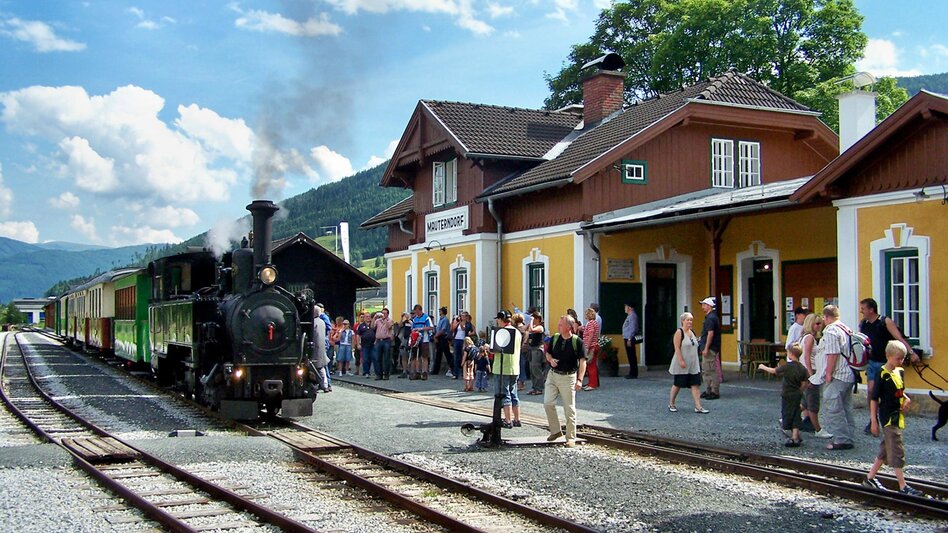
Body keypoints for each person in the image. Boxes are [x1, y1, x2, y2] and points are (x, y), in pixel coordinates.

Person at [863, 341, 925, 496]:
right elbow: (874, 398)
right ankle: (903, 486)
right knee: (896, 449)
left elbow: (899, 389)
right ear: (888, 356)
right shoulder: (882, 374)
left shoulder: (900, 372)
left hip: (898, 415)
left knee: (885, 448)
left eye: (902, 358)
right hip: (888, 417)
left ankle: (869, 478)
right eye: (898, 358)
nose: (900, 361)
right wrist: (874, 421)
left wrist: (906, 398)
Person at [859, 298, 917, 434]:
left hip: (886, 362)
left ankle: (891, 418)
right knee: (871, 392)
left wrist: (911, 352)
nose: (861, 311)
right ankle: (873, 419)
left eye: (863, 309)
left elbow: (899, 338)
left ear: (871, 309)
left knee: (887, 393)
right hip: (872, 362)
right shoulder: (864, 324)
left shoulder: (885, 322)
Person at [544, 315, 588, 447]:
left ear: (569, 327)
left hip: (568, 377)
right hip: (552, 375)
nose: (558, 326)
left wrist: (580, 379)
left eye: (561, 324)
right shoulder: (555, 338)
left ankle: (571, 437)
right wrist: (550, 360)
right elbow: (548, 353)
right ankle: (556, 431)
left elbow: (582, 361)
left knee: (569, 408)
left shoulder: (577, 341)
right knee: (548, 403)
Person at [821, 304, 857, 450]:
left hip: (838, 374)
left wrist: (828, 373)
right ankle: (849, 436)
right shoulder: (845, 328)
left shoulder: (831, 330)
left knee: (833, 406)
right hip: (850, 373)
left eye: (823, 318)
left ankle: (842, 439)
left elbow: (832, 353)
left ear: (826, 317)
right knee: (846, 407)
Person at [758, 344, 809, 447]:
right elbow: (805, 383)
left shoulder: (787, 366)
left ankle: (793, 435)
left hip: (787, 394)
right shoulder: (802, 368)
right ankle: (796, 436)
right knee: (796, 414)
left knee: (788, 413)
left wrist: (763, 366)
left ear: (790, 354)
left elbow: (774, 371)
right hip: (797, 394)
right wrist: (799, 391)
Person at [668, 312, 709, 414]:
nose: (690, 322)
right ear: (683, 321)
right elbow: (676, 347)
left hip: (693, 364)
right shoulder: (679, 332)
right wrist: (681, 360)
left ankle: (698, 406)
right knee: (678, 384)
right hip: (682, 364)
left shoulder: (692, 333)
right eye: (688, 320)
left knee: (696, 384)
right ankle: (671, 403)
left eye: (691, 320)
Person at [800, 313, 832, 439]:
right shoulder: (809, 338)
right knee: (813, 402)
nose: (819, 326)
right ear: (810, 324)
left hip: (810, 370)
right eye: (817, 323)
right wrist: (811, 374)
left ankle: (787, 418)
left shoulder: (807, 337)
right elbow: (806, 356)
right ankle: (818, 429)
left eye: (820, 323)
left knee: (805, 402)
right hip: (811, 370)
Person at [492, 311, 522, 428]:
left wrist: (487, 348)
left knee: (505, 394)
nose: (497, 322)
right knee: (513, 393)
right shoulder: (517, 332)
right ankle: (517, 419)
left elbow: (496, 349)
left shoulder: (503, 332)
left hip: (502, 367)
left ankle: (508, 420)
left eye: (498, 319)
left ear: (501, 319)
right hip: (514, 367)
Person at [698, 297, 721, 400]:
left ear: (709, 306)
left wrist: (706, 347)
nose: (702, 306)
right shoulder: (711, 317)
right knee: (706, 370)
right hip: (710, 347)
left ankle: (714, 391)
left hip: (710, 348)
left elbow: (710, 334)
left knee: (710, 370)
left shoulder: (710, 318)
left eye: (704, 304)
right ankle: (708, 389)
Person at [411, 304, 434, 380]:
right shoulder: (415, 319)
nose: (416, 313)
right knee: (417, 356)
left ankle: (424, 372)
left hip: (424, 339)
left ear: (420, 310)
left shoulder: (426, 317)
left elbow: (431, 327)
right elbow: (412, 328)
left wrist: (421, 329)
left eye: (417, 312)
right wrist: (414, 331)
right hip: (416, 340)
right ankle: (417, 372)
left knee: (424, 356)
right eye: (415, 312)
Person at [526, 311, 547, 396]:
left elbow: (531, 330)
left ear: (538, 319)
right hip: (532, 349)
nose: (532, 320)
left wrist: (530, 321)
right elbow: (527, 330)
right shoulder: (534, 326)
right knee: (532, 370)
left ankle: (539, 388)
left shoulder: (540, 327)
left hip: (537, 350)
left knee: (536, 369)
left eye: (534, 318)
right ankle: (534, 387)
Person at [451, 312, 474, 381]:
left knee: (463, 357)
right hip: (456, 340)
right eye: (461, 316)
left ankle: (463, 373)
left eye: (464, 316)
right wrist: (455, 322)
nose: (462, 317)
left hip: (464, 341)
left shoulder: (468, 324)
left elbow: (464, 329)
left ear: (466, 317)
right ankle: (455, 374)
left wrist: (461, 323)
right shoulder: (458, 323)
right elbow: (452, 329)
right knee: (456, 357)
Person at [582, 307, 600, 391]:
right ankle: (593, 383)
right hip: (595, 345)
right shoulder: (595, 323)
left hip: (591, 347)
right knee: (593, 365)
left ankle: (592, 384)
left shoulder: (590, 323)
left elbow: (591, 334)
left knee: (590, 366)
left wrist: (587, 347)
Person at [373, 308, 394, 380]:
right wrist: (374, 318)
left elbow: (389, 327)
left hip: (386, 340)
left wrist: (385, 320)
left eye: (385, 313)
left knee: (386, 358)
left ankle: (386, 374)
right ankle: (379, 374)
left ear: (387, 314)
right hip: (378, 340)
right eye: (382, 313)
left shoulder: (390, 320)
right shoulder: (378, 321)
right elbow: (373, 327)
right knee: (377, 358)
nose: (383, 314)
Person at [432, 306, 452, 377]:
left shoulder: (445, 320)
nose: (439, 312)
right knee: (438, 354)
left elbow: (443, 330)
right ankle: (435, 370)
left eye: (440, 311)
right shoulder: (440, 319)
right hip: (439, 337)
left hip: (443, 337)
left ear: (443, 312)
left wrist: (436, 335)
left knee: (447, 353)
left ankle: (452, 367)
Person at [622, 303, 640, 379]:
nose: (625, 309)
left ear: (629, 308)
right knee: (630, 355)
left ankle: (633, 373)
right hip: (627, 337)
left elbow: (632, 328)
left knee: (631, 355)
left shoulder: (632, 316)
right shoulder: (630, 316)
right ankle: (632, 372)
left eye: (625, 307)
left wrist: (629, 338)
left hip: (629, 338)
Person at [355, 312, 376, 377]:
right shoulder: (361, 326)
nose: (368, 318)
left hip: (373, 344)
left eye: (369, 316)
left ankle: (371, 371)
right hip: (364, 345)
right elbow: (358, 335)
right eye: (366, 316)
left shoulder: (373, 325)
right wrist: (358, 344)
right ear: (364, 318)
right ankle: (366, 372)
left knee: (373, 358)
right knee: (365, 358)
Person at [397, 312, 412, 378]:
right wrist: (401, 317)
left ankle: (412, 370)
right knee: (403, 355)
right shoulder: (405, 321)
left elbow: (413, 326)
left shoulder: (413, 321)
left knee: (412, 356)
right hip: (405, 339)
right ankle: (404, 370)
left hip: (412, 339)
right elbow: (400, 325)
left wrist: (409, 319)